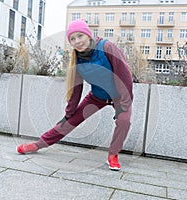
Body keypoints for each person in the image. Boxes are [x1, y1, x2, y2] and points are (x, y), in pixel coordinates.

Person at [17, 19, 133, 171]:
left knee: (124, 121)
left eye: (80, 36)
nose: (77, 41)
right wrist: (69, 114)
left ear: (88, 35)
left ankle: (113, 155)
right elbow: (76, 89)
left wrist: (123, 106)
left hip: (119, 96)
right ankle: (38, 145)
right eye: (73, 38)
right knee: (69, 122)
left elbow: (124, 76)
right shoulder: (76, 61)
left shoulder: (106, 47)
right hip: (96, 97)